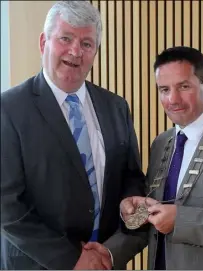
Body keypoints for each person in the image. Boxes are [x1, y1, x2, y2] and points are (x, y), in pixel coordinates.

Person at [1, 1, 147, 270]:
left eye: (87, 43)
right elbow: (6, 204)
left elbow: (132, 180)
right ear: (44, 42)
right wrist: (73, 259)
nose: (75, 51)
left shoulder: (115, 107)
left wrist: (113, 247)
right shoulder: (9, 109)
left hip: (105, 262)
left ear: (96, 51)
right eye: (65, 38)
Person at [120, 46, 203, 269]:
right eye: (164, 89)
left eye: (183, 87)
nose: (173, 99)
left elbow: (176, 218)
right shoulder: (161, 143)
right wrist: (135, 211)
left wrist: (182, 222)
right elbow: (159, 213)